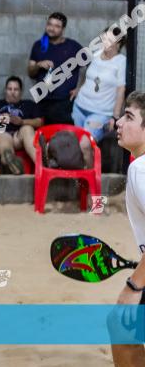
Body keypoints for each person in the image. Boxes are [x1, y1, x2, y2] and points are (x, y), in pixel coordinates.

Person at [110, 92, 145, 366]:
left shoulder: (140, 170)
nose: (119, 123)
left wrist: (134, 284)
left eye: (129, 117)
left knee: (121, 326)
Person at [72, 26, 127, 166]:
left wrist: (115, 117)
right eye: (104, 38)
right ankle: (81, 179)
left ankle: (89, 182)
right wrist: (78, 89)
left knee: (85, 144)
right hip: (79, 108)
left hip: (101, 113)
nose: (105, 42)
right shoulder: (96, 53)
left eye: (110, 40)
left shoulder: (121, 61)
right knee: (78, 145)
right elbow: (86, 74)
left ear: (119, 43)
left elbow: (121, 89)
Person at [27, 12, 83, 124]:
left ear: (63, 29)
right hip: (42, 100)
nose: (52, 28)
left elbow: (91, 67)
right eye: (50, 24)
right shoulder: (38, 45)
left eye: (57, 26)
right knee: (43, 134)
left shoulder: (73, 46)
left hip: (64, 102)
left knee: (61, 135)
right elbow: (30, 72)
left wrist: (80, 88)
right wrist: (38, 65)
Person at [0, 76, 43, 175]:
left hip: (18, 136)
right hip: (0, 131)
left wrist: (21, 122)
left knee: (27, 128)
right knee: (2, 136)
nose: (12, 92)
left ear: (21, 91)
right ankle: (10, 160)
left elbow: (39, 122)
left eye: (16, 89)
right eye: (10, 89)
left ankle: (42, 166)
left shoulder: (29, 104)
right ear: (5, 90)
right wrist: (1, 119)